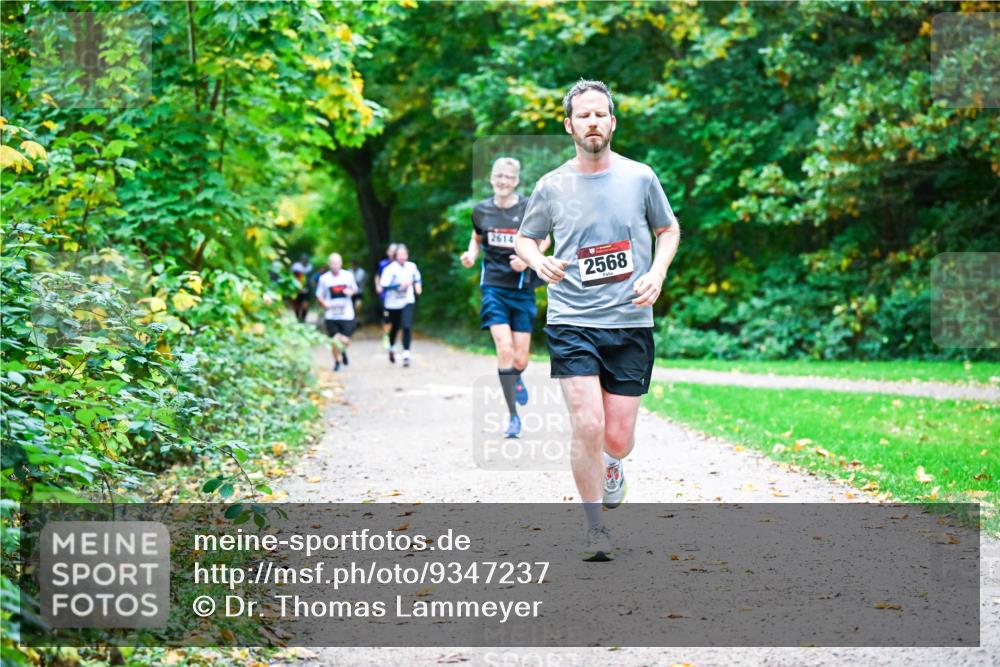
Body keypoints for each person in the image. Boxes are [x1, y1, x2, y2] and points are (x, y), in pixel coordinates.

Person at [515, 79, 681, 562]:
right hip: (572, 319)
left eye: (600, 114)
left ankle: (612, 465)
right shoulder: (551, 185)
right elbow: (527, 239)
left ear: (612, 121)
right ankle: (594, 527)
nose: (592, 122)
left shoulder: (640, 177)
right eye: (583, 115)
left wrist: (657, 271)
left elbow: (668, 229)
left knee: (616, 437)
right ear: (569, 125)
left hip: (631, 320)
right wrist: (538, 260)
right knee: (586, 424)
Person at [460, 157, 551, 439]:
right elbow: (476, 239)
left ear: (516, 181)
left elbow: (544, 237)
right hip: (494, 288)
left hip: (522, 288)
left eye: (509, 177)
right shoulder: (481, 211)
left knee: (521, 359)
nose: (503, 181)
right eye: (499, 176)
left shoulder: (526, 208)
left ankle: (517, 378)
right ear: (491, 178)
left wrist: (529, 260)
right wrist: (471, 255)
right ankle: (513, 417)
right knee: (504, 349)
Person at [378, 244, 422, 367]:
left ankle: (406, 354)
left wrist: (418, 286)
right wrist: (398, 285)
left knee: (407, 326)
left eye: (405, 254)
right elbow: (384, 286)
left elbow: (417, 278)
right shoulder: (390, 269)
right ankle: (391, 347)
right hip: (393, 304)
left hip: (407, 301)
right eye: (400, 255)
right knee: (395, 328)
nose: (403, 257)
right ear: (395, 256)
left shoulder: (412, 266)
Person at [315, 253, 358, 372]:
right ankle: (337, 361)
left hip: (347, 314)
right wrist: (324, 303)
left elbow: (355, 289)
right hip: (331, 315)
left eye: (337, 263)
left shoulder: (348, 276)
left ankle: (343, 350)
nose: (335, 266)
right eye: (332, 263)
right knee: (334, 340)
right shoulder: (324, 278)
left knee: (345, 340)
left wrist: (351, 291)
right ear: (329, 264)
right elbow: (319, 295)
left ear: (341, 263)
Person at [374, 243, 398, 349]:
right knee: (387, 316)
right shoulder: (383, 264)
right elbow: (377, 276)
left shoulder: (402, 265)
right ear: (387, 252)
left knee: (396, 319)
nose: (392, 253)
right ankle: (386, 336)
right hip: (385, 295)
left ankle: (393, 337)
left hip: (398, 297)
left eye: (394, 251)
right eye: (391, 251)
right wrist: (378, 286)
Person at [290, 254, 312, 323]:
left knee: (306, 304)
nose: (305, 260)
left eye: (306, 259)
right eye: (303, 259)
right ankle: (298, 318)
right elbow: (291, 276)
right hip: (297, 289)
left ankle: (303, 318)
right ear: (301, 259)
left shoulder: (310, 267)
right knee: (297, 304)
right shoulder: (296, 267)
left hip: (306, 289)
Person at [350, 260, 367, 326]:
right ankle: (353, 319)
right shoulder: (349, 272)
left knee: (358, 306)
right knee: (352, 306)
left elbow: (360, 281)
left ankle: (357, 319)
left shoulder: (361, 272)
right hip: (351, 293)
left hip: (359, 292)